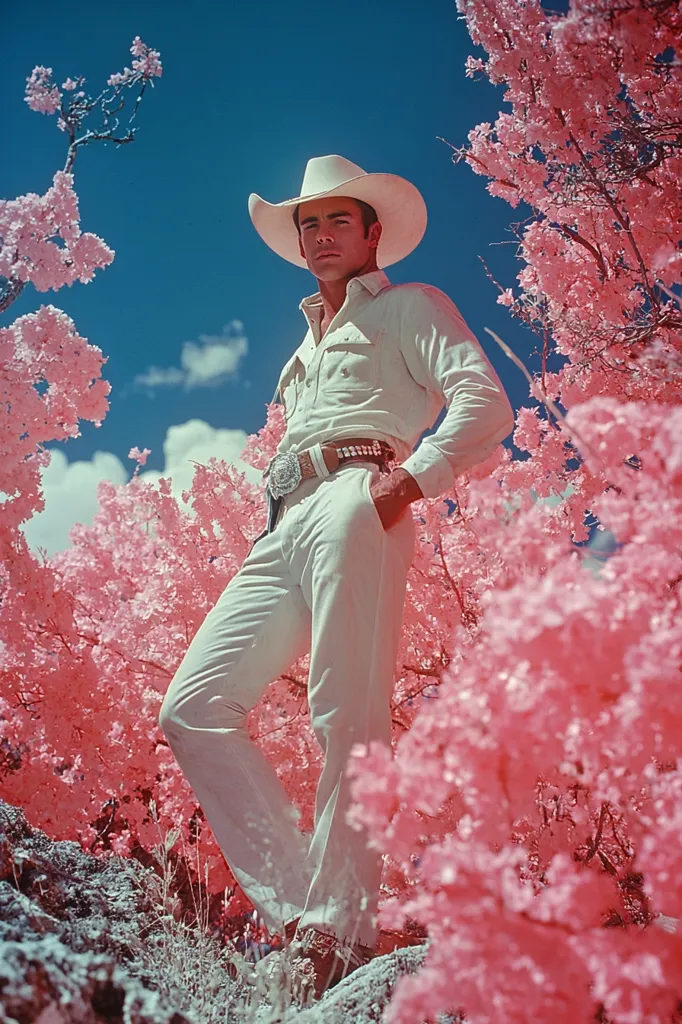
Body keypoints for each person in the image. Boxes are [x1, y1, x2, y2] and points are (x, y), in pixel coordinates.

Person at [158, 153, 515, 998]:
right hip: (283, 519)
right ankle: (302, 910)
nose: (320, 236)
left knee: (343, 704)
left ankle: (340, 930)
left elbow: (483, 400)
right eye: (307, 224)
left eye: (336, 221)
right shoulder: (301, 345)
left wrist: (410, 481)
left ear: (371, 232)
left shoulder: (409, 308)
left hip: (363, 493)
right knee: (194, 708)